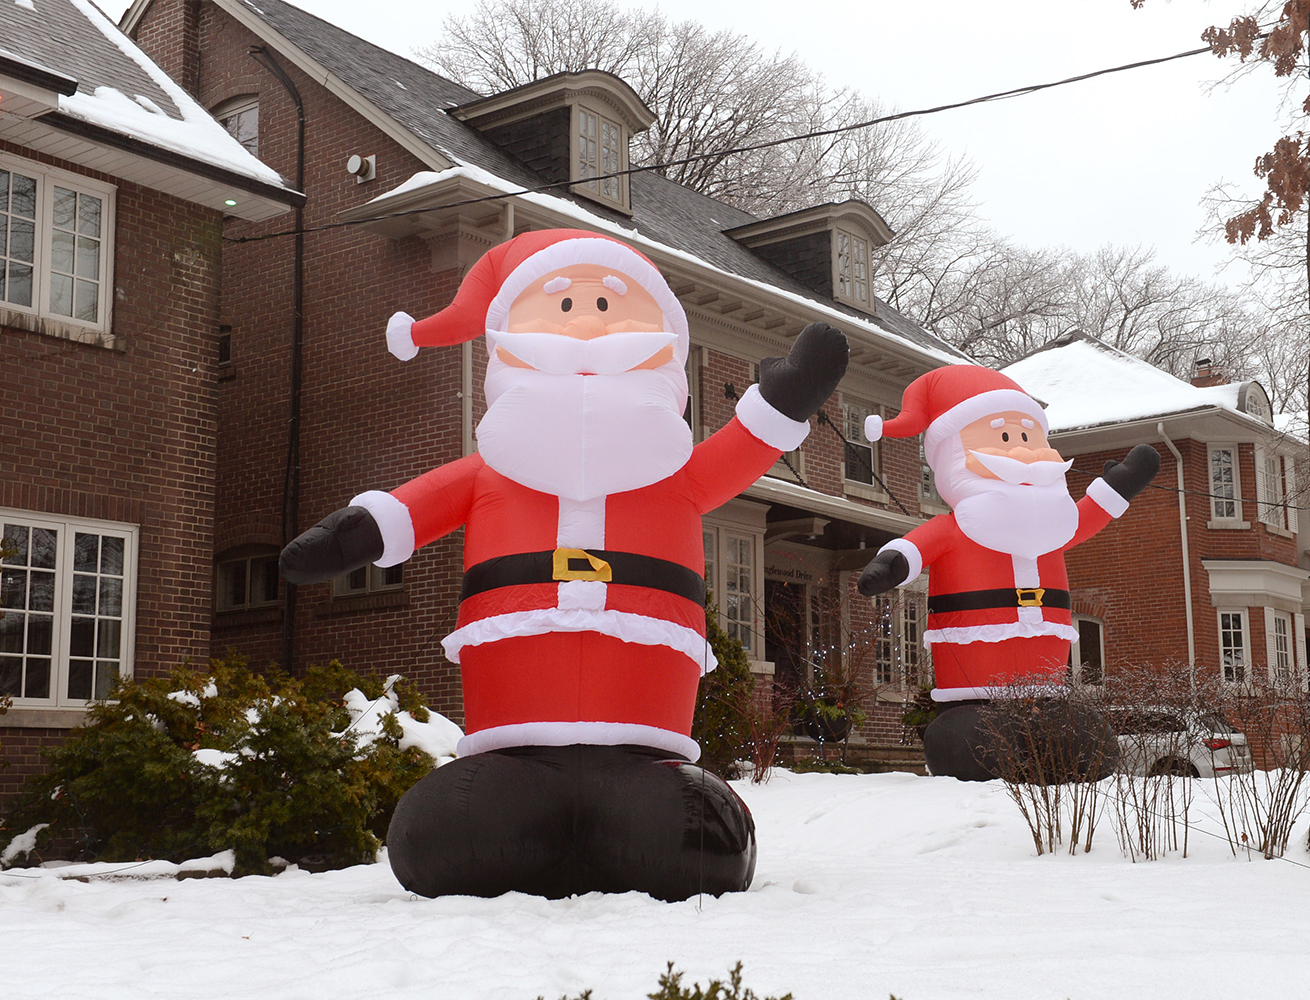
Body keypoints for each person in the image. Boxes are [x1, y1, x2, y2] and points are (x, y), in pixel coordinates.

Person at [281, 229, 847, 898]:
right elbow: (407, 511)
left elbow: (747, 444)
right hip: (514, 748)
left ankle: (644, 817)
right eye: (562, 306)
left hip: (645, 749)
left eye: (610, 305)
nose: (586, 324)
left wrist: (788, 396)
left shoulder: (677, 477)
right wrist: (352, 535)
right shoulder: (490, 473)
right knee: (449, 835)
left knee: (689, 842)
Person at [856, 365, 1158, 782]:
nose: (1023, 451)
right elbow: (917, 547)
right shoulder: (958, 525)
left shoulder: (1055, 524)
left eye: (1028, 436)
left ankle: (1060, 741)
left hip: (1047, 686)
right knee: (974, 742)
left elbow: (1086, 516)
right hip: (972, 689)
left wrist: (1120, 485)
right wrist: (890, 565)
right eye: (1003, 436)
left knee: (1081, 741)